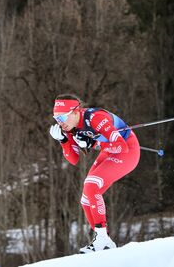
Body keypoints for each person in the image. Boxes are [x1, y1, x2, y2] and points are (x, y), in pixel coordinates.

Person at [49, 94, 141, 253]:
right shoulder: (70, 127)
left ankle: (102, 239)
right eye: (56, 118)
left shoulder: (95, 118)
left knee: (91, 185)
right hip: (109, 151)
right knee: (85, 198)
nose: (60, 122)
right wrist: (63, 141)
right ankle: (104, 241)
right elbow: (74, 159)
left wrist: (93, 143)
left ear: (76, 111)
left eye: (62, 116)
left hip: (128, 151)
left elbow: (121, 147)